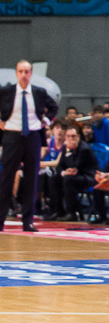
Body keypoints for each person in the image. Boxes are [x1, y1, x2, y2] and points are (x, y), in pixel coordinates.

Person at [0, 60, 59, 232]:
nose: (24, 75)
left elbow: (53, 107)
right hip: (12, 135)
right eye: (21, 71)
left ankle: (28, 221)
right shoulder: (6, 91)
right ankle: (0, 219)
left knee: (31, 179)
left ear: (31, 73)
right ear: (16, 73)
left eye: (27, 72)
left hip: (33, 136)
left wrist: (46, 120)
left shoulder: (39, 92)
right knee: (6, 179)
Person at [52, 125, 97, 220]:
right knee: (54, 179)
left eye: (73, 136)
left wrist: (69, 152)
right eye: (68, 136)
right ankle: (59, 211)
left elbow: (75, 166)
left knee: (68, 180)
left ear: (78, 137)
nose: (71, 139)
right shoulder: (65, 148)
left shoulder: (84, 148)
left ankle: (72, 213)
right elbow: (59, 166)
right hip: (74, 176)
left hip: (87, 176)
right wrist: (63, 172)